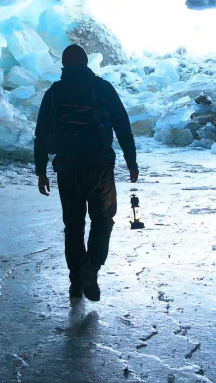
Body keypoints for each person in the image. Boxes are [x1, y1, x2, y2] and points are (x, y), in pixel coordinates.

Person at [34, 44, 139, 301]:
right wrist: (131, 161)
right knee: (102, 219)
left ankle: (76, 282)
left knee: (73, 225)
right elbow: (122, 125)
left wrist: (41, 170)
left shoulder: (54, 93)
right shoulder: (102, 89)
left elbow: (41, 134)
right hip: (99, 165)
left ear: (64, 65)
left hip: (67, 167)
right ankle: (90, 269)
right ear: (85, 62)